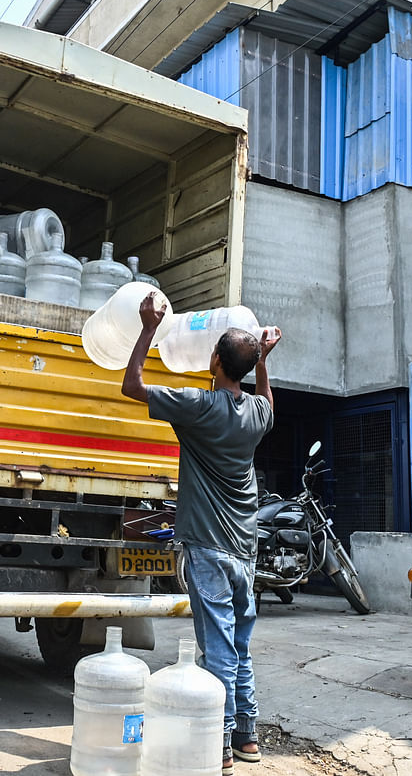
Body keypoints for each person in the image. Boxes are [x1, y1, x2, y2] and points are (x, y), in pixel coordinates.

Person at [121, 293, 280, 775]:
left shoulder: (197, 407)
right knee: (240, 647)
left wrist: (148, 328)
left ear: (214, 360)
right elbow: (268, 400)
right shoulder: (255, 414)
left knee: (217, 651)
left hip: (208, 549)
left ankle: (221, 742)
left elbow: (132, 386)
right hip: (245, 550)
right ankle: (249, 736)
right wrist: (265, 363)